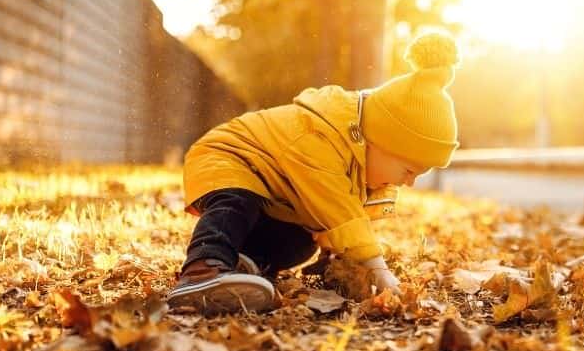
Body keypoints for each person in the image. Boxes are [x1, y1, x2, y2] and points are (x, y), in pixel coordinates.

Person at [166, 32, 460, 314]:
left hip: (272, 188)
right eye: (409, 170)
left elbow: (332, 224)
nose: (409, 182)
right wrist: (379, 270)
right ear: (381, 139)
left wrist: (340, 262)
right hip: (230, 157)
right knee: (236, 201)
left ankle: (243, 263)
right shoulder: (321, 136)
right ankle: (202, 271)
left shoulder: (358, 156)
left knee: (301, 242)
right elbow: (338, 211)